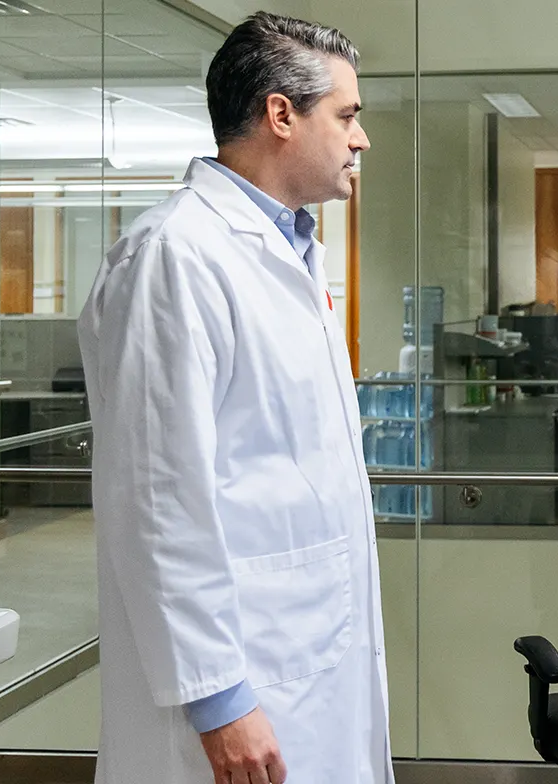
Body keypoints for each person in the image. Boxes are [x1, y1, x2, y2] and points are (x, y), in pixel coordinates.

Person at [78, 12, 389, 784]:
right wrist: (217, 697)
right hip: (237, 689)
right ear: (281, 115)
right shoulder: (175, 256)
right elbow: (155, 496)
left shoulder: (291, 251)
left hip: (307, 650)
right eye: (347, 117)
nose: (361, 140)